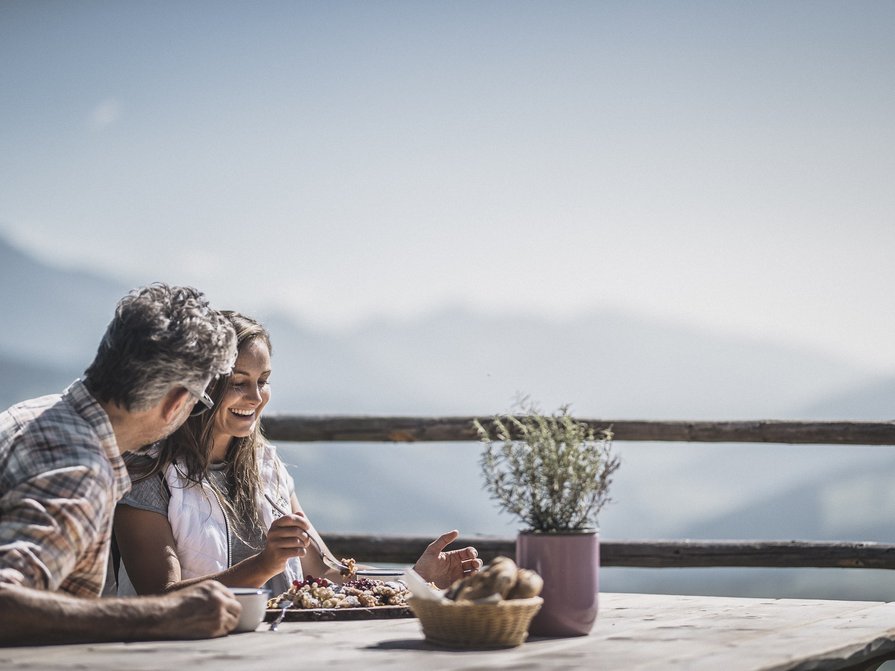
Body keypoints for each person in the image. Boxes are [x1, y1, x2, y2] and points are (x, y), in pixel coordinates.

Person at [114, 311, 482, 598]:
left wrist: (417, 578)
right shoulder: (149, 472)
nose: (256, 398)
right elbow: (160, 598)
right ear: (201, 386)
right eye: (238, 383)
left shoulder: (267, 468)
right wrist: (265, 564)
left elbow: (326, 572)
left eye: (263, 381)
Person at [0, 284, 242, 645]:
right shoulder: (80, 472)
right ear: (176, 402)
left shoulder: (30, 416)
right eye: (199, 402)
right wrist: (163, 615)